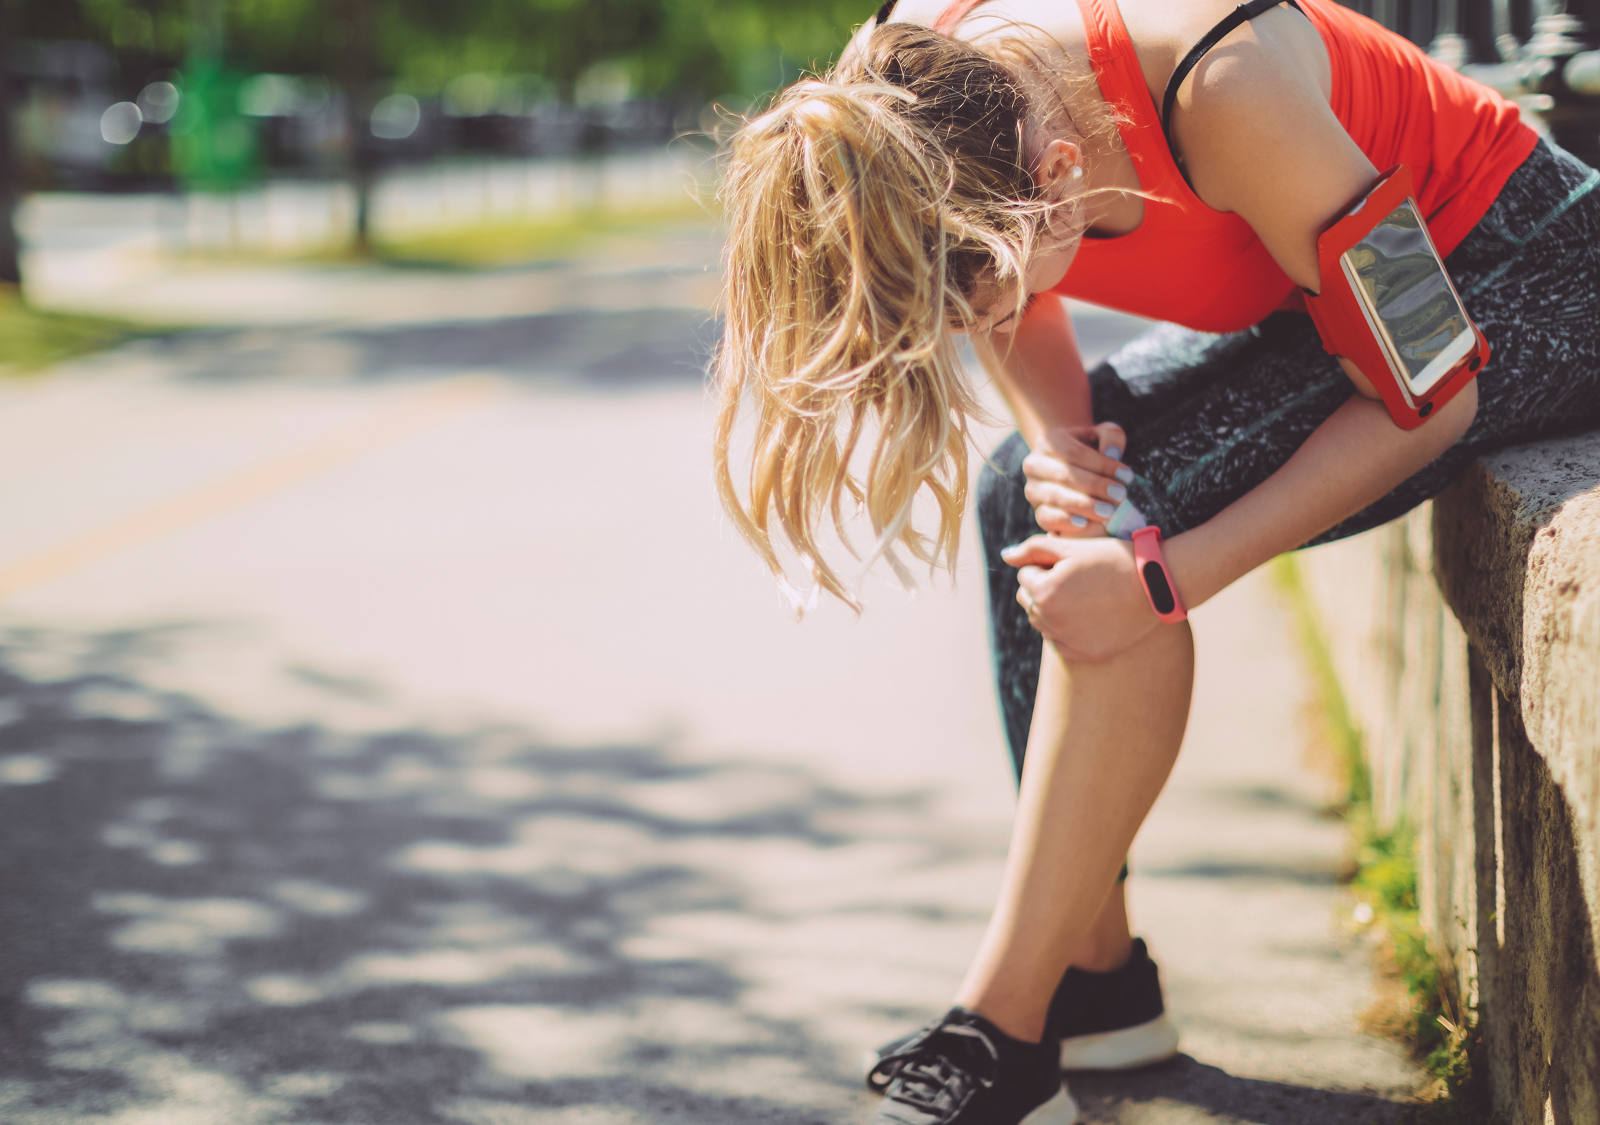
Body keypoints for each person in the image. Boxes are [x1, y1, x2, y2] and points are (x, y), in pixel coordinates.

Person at [711, 0, 1600, 1121]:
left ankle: (1003, 1019)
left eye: (987, 284)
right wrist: (1062, 457)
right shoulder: (905, 83)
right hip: (1318, 302)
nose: (979, 321)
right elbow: (1007, 302)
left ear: (1063, 164)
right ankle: (1099, 987)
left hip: (1524, 276)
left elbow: (1429, 393)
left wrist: (1164, 579)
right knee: (1024, 495)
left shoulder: (1226, 93)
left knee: (1137, 528)